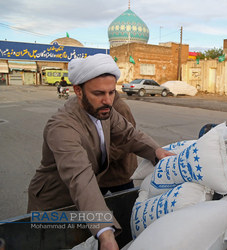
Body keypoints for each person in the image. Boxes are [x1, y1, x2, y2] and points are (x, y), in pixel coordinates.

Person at [27, 54, 174, 249]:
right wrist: (105, 232)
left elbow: (129, 135)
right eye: (99, 93)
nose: (108, 101)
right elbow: (80, 178)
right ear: (78, 91)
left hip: (82, 203)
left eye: (111, 92)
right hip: (54, 206)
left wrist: (156, 152)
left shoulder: (105, 111)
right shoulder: (62, 127)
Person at [98, 91, 138, 194]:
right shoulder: (98, 105)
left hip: (119, 173)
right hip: (101, 175)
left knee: (124, 205)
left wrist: (99, 160)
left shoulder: (120, 108)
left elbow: (126, 142)